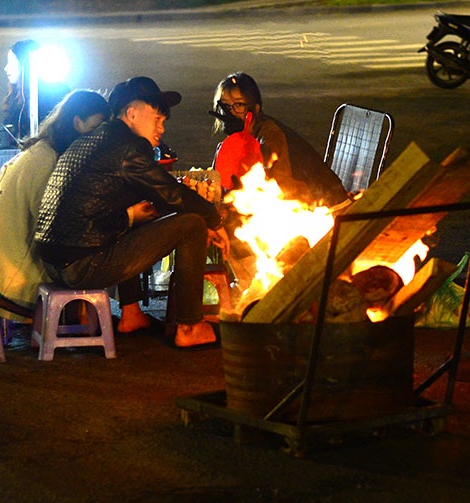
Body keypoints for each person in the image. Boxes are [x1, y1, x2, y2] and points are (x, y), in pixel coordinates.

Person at [35, 76, 228, 348]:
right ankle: (190, 325)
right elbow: (171, 194)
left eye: (164, 121)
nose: (161, 128)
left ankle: (131, 313)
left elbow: (155, 198)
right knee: (193, 225)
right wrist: (214, 219)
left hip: (54, 260)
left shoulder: (95, 139)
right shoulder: (130, 147)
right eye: (157, 119)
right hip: (84, 264)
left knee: (141, 217)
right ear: (132, 113)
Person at [0, 90, 110, 323]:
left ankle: (87, 317)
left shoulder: (41, 149)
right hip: (3, 273)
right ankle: (86, 320)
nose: (100, 138)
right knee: (91, 254)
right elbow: (54, 225)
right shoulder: (49, 160)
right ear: (77, 123)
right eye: (95, 129)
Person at [211, 72, 347, 207]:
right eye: (225, 106)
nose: (230, 112)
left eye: (239, 105)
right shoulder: (241, 138)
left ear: (255, 109)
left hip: (327, 206)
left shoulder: (270, 135)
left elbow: (278, 187)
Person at [1, 39, 69, 142]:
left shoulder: (56, 92)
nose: (6, 68)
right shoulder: (14, 95)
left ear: (25, 65)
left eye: (11, 63)